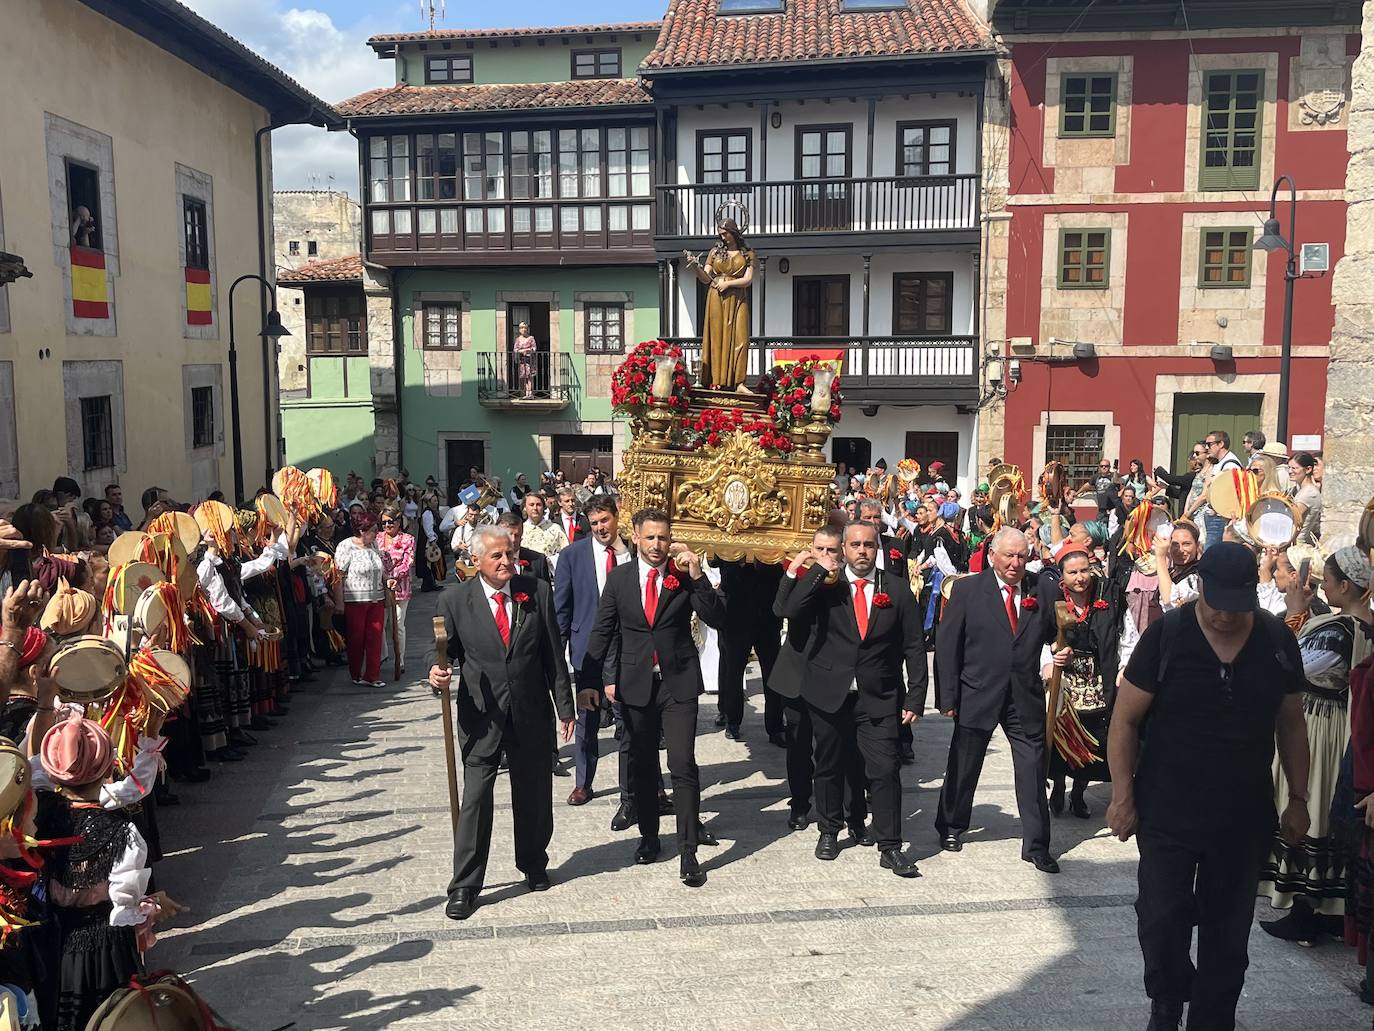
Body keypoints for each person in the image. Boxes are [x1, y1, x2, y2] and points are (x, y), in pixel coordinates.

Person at [1106, 542, 1310, 1031]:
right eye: (1216, 603)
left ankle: (1213, 1018)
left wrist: (1298, 799)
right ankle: (1168, 1000)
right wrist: (1122, 795)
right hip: (1168, 809)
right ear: (1201, 589)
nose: (1224, 615)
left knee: (1227, 932)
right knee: (1160, 918)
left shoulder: (1276, 640)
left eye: (1236, 606)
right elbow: (1124, 721)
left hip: (1242, 816)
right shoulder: (1168, 636)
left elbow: (1292, 724)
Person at [427, 524, 579, 920]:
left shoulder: (536, 592)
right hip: (482, 716)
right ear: (475, 560)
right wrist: (436, 674)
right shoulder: (455, 600)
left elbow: (552, 655)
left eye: (509, 554)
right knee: (476, 799)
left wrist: (565, 707)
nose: (506, 561)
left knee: (533, 793)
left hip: (530, 713)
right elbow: (444, 654)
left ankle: (533, 862)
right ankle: (465, 884)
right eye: (496, 556)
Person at [583, 508, 726, 888]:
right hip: (635, 685)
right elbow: (603, 632)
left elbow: (717, 617)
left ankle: (689, 850)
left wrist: (696, 575)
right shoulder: (619, 579)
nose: (657, 546)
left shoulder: (682, 577)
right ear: (635, 536)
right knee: (643, 765)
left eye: (663, 538)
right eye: (650, 538)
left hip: (677, 683)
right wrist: (590, 680)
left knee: (682, 763)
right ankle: (648, 837)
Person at [776, 520, 926, 876]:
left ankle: (890, 846)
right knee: (828, 764)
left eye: (869, 545)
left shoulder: (897, 590)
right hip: (829, 693)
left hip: (878, 696)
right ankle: (829, 830)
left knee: (885, 769)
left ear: (878, 549)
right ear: (843, 549)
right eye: (855, 545)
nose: (862, 551)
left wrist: (916, 696)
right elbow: (787, 610)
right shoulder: (826, 587)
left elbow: (914, 646)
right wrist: (814, 571)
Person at [935, 527, 1070, 873]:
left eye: (1022, 556)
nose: (1015, 563)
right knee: (965, 763)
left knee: (1032, 767)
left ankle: (1037, 844)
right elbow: (948, 646)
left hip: (1023, 695)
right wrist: (947, 696)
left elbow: (1058, 632)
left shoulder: (1043, 588)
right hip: (977, 690)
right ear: (992, 554)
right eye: (1008, 555)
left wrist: (1060, 650)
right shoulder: (967, 590)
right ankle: (951, 825)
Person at [1259, 547, 1373, 945]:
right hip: (1342, 726)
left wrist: (1292, 612)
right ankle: (1326, 908)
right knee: (1324, 812)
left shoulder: (1337, 632)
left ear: (1345, 585)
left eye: (1327, 579)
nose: (1322, 585)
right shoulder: (1362, 626)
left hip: (1319, 727)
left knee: (1311, 808)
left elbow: (1284, 664)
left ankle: (1310, 909)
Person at [771, 527, 869, 836]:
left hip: (832, 676)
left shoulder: (844, 582)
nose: (826, 556)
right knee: (799, 744)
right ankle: (800, 803)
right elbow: (782, 609)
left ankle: (850, 811)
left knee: (842, 748)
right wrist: (798, 569)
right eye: (820, 549)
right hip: (798, 673)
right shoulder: (806, 576)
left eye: (831, 551)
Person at [553, 496, 633, 808]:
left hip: (628, 652)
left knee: (631, 718)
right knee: (587, 721)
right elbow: (562, 609)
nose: (600, 527)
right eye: (595, 522)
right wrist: (557, 656)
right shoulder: (572, 556)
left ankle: (638, 783)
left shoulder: (633, 552)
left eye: (605, 520)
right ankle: (583, 783)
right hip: (588, 653)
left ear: (616, 517)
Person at [1043, 544, 1124, 820]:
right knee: (1061, 737)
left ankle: (1078, 793)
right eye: (1073, 572)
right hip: (1064, 680)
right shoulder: (1052, 597)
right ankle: (1059, 786)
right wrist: (1052, 652)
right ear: (1062, 575)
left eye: (1084, 570)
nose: (1080, 577)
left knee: (1091, 740)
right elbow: (1040, 636)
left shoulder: (1105, 595)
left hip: (1096, 679)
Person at [714, 557, 785, 745]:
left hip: (767, 617)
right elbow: (718, 566)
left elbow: (778, 571)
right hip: (737, 617)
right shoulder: (731, 545)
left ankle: (776, 726)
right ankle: (732, 720)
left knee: (772, 674)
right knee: (733, 672)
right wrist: (738, 560)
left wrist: (761, 560)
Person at [684, 219, 754, 390]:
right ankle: (716, 381)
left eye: (725, 233)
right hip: (716, 296)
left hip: (738, 298)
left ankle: (739, 382)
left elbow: (748, 279)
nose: (723, 237)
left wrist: (728, 284)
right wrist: (696, 266)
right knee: (716, 337)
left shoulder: (748, 253)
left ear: (733, 232)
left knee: (742, 338)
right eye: (720, 234)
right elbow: (705, 278)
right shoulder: (714, 252)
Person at [334, 510, 391, 688]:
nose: (377, 533)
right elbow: (338, 576)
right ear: (361, 531)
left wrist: (388, 580)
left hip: (377, 598)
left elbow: (380, 570)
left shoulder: (374, 545)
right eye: (373, 530)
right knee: (356, 639)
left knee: (376, 637)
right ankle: (356, 673)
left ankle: (372, 676)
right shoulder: (346, 546)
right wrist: (339, 602)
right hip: (355, 601)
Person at [376, 504, 415, 674]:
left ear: (399, 522)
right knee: (381, 624)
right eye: (384, 523)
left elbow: (408, 562)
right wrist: (385, 577)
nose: (387, 526)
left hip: (400, 586)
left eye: (390, 522)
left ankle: (400, 659)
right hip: (380, 585)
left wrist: (394, 577)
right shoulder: (376, 538)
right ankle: (381, 656)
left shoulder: (408, 539)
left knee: (398, 624)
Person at [1200, 430, 1244, 548]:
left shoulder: (1230, 464)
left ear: (1221, 444)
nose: (1206, 447)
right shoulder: (1221, 463)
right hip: (1215, 515)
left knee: (1211, 553)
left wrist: (1218, 510)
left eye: (1209, 444)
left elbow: (1230, 493)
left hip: (1219, 517)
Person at [1154, 521, 1202, 612]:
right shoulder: (1171, 571)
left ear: (1197, 545)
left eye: (1186, 544)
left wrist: (1160, 557)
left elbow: (1169, 601)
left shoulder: (1198, 574)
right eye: (1175, 544)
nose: (1180, 550)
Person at [497, 511, 550, 584]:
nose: (513, 539)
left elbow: (546, 592)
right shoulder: (489, 561)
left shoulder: (538, 560)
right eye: (509, 535)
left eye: (517, 535)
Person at [520, 493, 568, 566]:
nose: (535, 508)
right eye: (531, 505)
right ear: (525, 508)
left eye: (538, 505)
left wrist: (549, 560)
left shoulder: (555, 529)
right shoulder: (520, 530)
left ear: (543, 507)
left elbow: (566, 553)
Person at [1287, 452, 1322, 544]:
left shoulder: (1309, 493)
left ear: (1308, 469)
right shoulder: (1302, 490)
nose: (1290, 471)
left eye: (1294, 468)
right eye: (1289, 468)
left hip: (1298, 543)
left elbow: (1292, 519)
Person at [514, 321, 538, 399]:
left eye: (525, 328)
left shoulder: (531, 338)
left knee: (529, 376)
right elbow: (515, 349)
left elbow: (534, 348)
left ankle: (530, 393)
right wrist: (521, 351)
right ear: (519, 329)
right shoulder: (518, 339)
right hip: (522, 361)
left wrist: (527, 350)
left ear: (527, 329)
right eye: (521, 328)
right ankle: (523, 393)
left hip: (530, 361)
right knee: (522, 377)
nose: (523, 329)